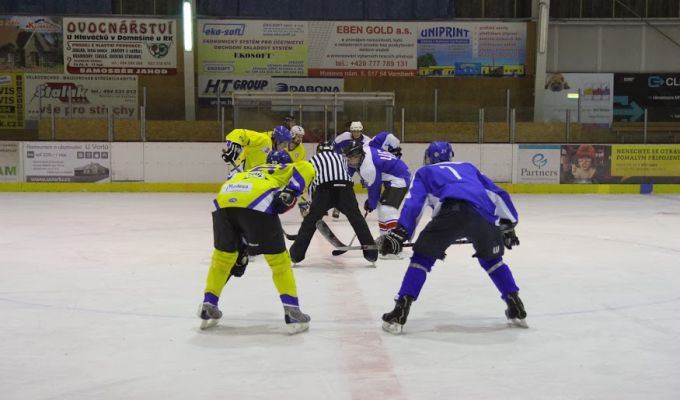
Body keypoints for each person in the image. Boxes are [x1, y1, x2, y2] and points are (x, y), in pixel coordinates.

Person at [379, 141, 526, 335]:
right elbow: (498, 193)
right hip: (483, 214)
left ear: (428, 157)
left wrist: (400, 233)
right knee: (492, 260)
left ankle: (400, 311)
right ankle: (514, 303)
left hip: (450, 213)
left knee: (422, 259)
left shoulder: (425, 172)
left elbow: (414, 204)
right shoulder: (468, 167)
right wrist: (509, 226)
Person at [198, 149, 316, 334]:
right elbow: (307, 168)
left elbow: (231, 178)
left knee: (221, 260)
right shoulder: (283, 168)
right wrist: (291, 191)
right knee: (279, 263)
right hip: (256, 203)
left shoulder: (248, 171)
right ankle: (292, 311)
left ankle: (208, 305)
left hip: (223, 203)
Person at [289, 140, 377, 265]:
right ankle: (371, 252)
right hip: (345, 189)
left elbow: (311, 184)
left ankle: (296, 255)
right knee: (357, 219)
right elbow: (346, 175)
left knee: (310, 222)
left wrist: (315, 207)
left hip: (324, 190)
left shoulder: (313, 160)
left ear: (319, 150)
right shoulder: (341, 157)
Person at [343, 140, 411, 243]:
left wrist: (371, 203)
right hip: (396, 175)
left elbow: (375, 187)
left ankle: (395, 243)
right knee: (381, 207)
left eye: (350, 157)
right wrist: (372, 202)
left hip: (400, 179)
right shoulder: (365, 150)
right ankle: (385, 239)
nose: (348, 160)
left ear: (358, 156)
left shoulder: (367, 167)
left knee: (387, 209)